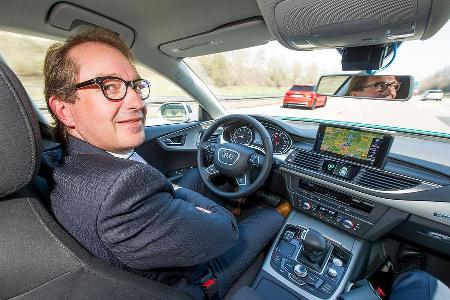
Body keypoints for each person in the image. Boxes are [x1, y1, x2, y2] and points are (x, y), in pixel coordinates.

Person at [44, 28, 285, 299]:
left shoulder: (62, 161)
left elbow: (164, 191)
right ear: (64, 109)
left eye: (135, 86)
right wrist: (195, 206)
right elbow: (226, 230)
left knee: (196, 173)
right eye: (109, 87)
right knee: (270, 214)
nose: (137, 101)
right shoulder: (119, 194)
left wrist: (177, 198)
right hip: (187, 285)